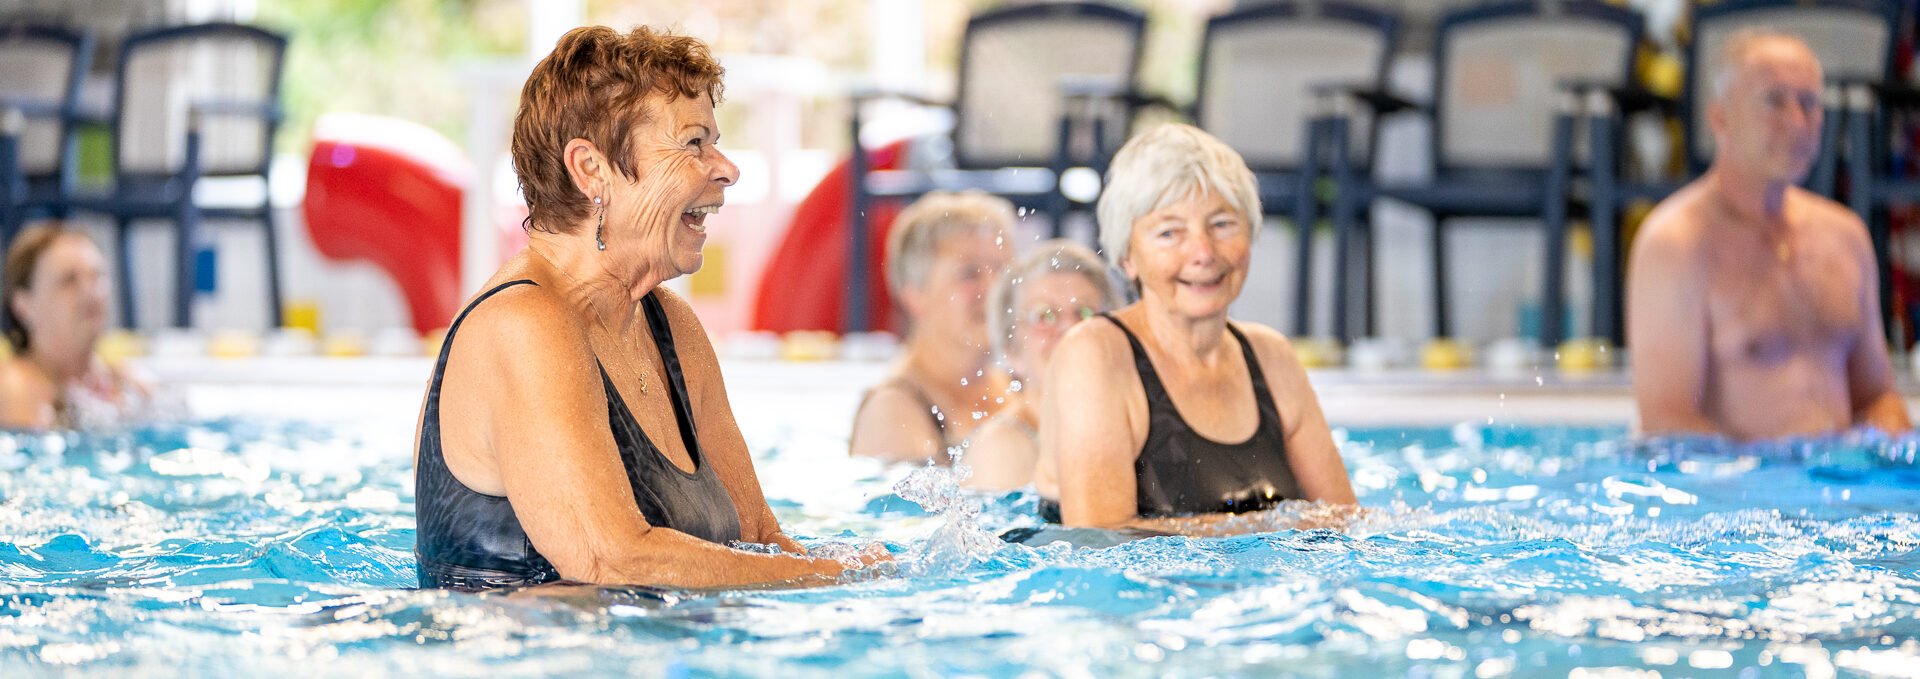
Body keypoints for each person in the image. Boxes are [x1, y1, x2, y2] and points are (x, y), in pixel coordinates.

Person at [414, 26, 885, 592]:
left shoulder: (670, 326)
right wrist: (834, 575)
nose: (726, 168)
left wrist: (862, 586)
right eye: (693, 144)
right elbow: (610, 561)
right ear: (591, 170)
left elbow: (758, 536)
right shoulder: (522, 326)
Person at [1040, 123, 1357, 533]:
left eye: (1222, 224)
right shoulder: (1096, 355)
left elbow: (1347, 524)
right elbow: (1099, 538)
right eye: (1170, 232)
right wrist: (1275, 528)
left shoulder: (1271, 356)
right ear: (1127, 257)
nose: (1204, 253)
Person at [1627, 30, 1911, 441]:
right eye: (1774, 101)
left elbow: (1876, 395)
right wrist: (1772, 486)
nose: (1797, 122)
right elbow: (1667, 423)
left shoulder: (1845, 235)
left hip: (1839, 489)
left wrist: (1883, 457)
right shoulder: (1675, 245)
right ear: (1720, 117)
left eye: (1809, 103)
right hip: (1734, 496)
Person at [848, 190, 1014, 464]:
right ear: (915, 294)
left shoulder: (1018, 387)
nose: (995, 289)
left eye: (1003, 271)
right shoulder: (891, 411)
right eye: (969, 273)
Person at [962, 240, 1118, 490]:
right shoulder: (1003, 448)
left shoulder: (1119, 434)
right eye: (1044, 316)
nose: (1069, 328)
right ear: (1011, 350)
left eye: (1086, 313)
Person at [0, 224, 154, 430]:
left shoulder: (130, 384)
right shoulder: (14, 387)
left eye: (97, 275)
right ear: (23, 305)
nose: (91, 291)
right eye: (68, 281)